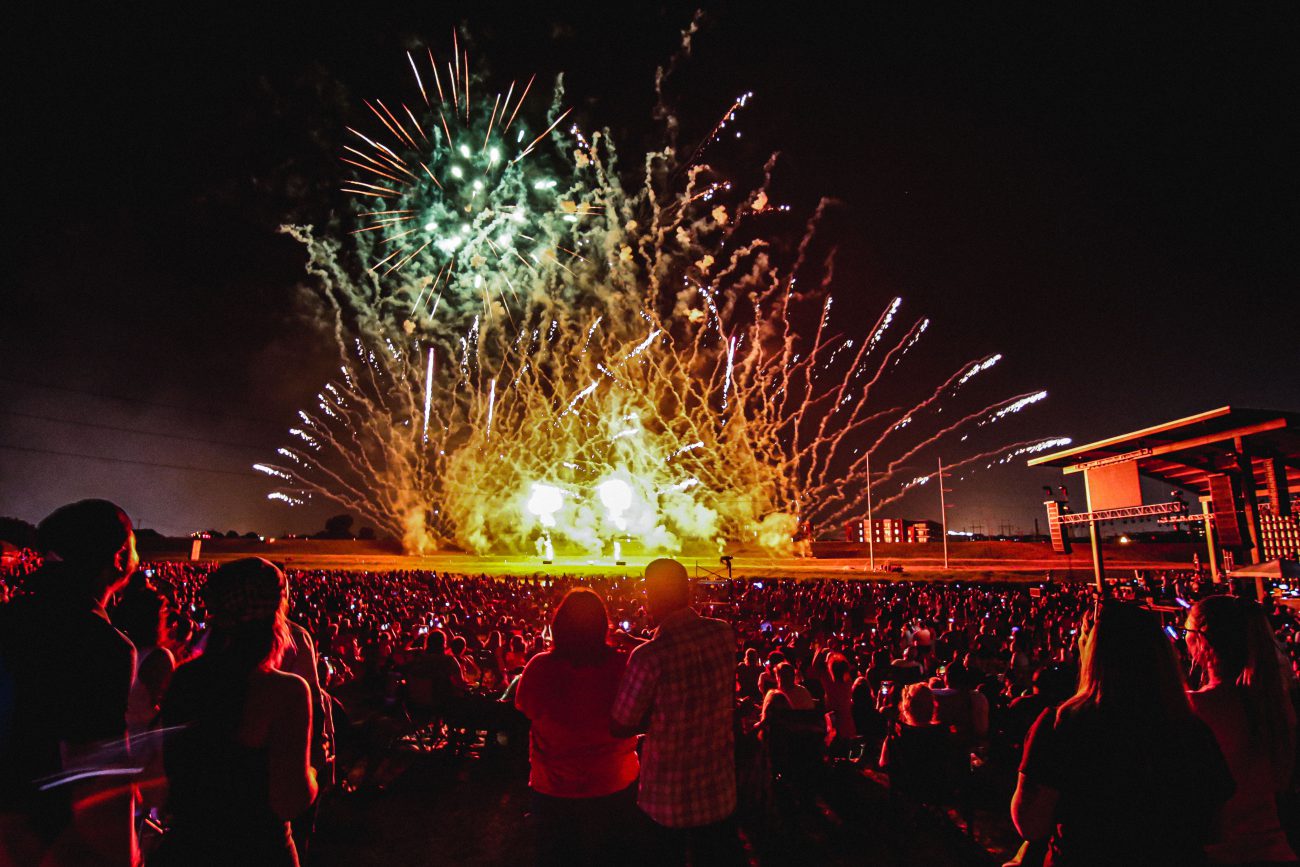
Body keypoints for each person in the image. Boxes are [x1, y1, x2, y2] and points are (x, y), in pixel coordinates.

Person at [1011, 600, 1234, 866]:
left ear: (1093, 653)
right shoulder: (1192, 730)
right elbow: (1216, 827)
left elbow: (1031, 825)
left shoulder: (1061, 725)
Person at [0, 499, 140, 866]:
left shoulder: (12, 618)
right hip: (47, 839)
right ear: (119, 556)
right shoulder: (99, 643)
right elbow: (97, 773)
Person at [155, 558, 317, 866]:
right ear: (276, 614)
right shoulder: (286, 692)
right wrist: (312, 773)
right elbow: (289, 801)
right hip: (258, 850)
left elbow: (163, 782)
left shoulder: (184, 679)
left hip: (186, 847)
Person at [611, 558, 742, 866]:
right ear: (687, 592)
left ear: (651, 597)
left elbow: (620, 724)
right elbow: (684, 652)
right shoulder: (722, 634)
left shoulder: (648, 658)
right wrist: (635, 642)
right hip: (719, 792)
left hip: (667, 802)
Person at [515, 588, 640, 866]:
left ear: (559, 625)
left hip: (554, 786)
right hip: (613, 781)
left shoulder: (540, 667)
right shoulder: (623, 665)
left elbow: (525, 707)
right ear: (601, 626)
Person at [1186, 595, 1298, 865]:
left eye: (1186, 630)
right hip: (1276, 850)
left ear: (1201, 641)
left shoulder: (1195, 707)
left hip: (1225, 853)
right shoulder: (1276, 701)